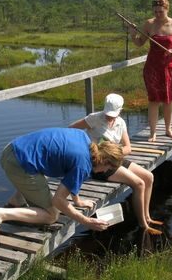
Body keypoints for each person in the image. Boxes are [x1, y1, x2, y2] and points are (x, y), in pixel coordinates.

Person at [0, 127, 124, 246]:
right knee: (52, 215)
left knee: (41, 166)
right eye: (108, 168)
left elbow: (72, 176)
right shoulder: (83, 165)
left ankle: (15, 202)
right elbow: (59, 200)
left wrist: (77, 201)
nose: (105, 172)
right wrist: (86, 221)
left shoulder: (84, 138)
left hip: (12, 150)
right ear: (104, 160)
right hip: (19, 164)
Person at [69, 93, 162, 235]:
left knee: (148, 177)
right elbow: (70, 130)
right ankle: (143, 225)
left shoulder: (121, 123)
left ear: (120, 111)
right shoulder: (94, 118)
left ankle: (148, 217)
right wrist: (87, 150)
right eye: (108, 113)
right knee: (139, 184)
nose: (109, 117)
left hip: (114, 158)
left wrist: (113, 152)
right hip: (100, 165)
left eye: (113, 114)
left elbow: (128, 148)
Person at [129, 0, 172, 142]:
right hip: (152, 67)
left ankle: (168, 129)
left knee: (168, 100)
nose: (158, 14)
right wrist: (132, 35)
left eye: (161, 11)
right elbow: (140, 43)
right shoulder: (149, 24)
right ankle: (152, 133)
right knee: (153, 100)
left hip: (169, 66)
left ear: (167, 9)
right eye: (155, 11)